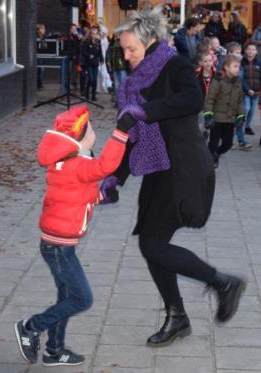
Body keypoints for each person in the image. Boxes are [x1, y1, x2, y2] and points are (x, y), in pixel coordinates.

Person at [103, 7, 246, 348]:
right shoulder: (137, 82)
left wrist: (146, 111)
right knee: (152, 243)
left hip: (183, 167)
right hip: (160, 169)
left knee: (152, 244)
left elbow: (193, 99)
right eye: (122, 49)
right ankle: (179, 315)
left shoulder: (174, 63)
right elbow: (132, 134)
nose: (126, 56)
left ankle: (221, 284)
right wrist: (114, 179)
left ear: (149, 39)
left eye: (130, 49)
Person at [14, 105, 130, 366]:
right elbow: (107, 165)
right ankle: (31, 327)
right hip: (59, 247)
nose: (94, 134)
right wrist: (121, 133)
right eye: (90, 131)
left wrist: (102, 196)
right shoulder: (76, 164)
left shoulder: (66, 164)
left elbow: (75, 195)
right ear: (79, 139)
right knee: (81, 298)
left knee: (66, 298)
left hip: (55, 243)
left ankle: (54, 351)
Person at [205, 55, 247, 162]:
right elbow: (210, 99)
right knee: (213, 143)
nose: (238, 69)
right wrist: (208, 114)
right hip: (217, 119)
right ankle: (209, 160)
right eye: (235, 66)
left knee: (228, 144)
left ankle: (216, 154)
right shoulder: (218, 80)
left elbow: (239, 101)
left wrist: (241, 115)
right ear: (226, 67)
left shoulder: (238, 82)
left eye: (239, 67)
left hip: (230, 119)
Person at [240, 43, 260, 137]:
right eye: (249, 49)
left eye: (253, 49)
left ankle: (247, 127)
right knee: (246, 108)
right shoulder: (241, 62)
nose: (251, 51)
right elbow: (241, 79)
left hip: (256, 92)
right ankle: (240, 126)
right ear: (245, 51)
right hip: (245, 92)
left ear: (256, 52)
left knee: (252, 111)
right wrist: (247, 90)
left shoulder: (259, 63)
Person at [195, 52, 217, 140]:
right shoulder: (196, 75)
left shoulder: (217, 75)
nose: (208, 63)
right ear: (200, 63)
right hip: (200, 105)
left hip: (213, 105)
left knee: (211, 127)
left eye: (210, 61)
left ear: (213, 61)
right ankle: (201, 142)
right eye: (205, 61)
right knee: (201, 125)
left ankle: (207, 143)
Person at [81, 26, 104, 101]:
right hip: (89, 63)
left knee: (95, 80)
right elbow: (83, 51)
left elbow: (100, 52)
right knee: (91, 79)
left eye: (95, 33)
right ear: (90, 34)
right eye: (93, 34)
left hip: (95, 63)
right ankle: (87, 92)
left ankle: (93, 95)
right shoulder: (86, 42)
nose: (94, 35)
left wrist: (101, 59)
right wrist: (89, 55)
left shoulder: (98, 42)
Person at [66, 24, 84, 91]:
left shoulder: (77, 36)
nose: (74, 30)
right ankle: (70, 84)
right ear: (70, 30)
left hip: (77, 56)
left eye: (75, 29)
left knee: (76, 71)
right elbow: (69, 46)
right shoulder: (69, 37)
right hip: (71, 56)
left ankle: (74, 83)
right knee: (71, 71)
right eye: (72, 29)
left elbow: (81, 42)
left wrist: (78, 36)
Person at [97, 25, 113, 93]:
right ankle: (99, 87)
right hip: (99, 57)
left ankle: (107, 86)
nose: (102, 34)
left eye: (103, 32)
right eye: (101, 32)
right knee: (99, 72)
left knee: (105, 72)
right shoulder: (98, 39)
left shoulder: (106, 40)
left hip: (104, 56)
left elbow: (107, 49)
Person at [36, 24, 47, 90]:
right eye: (42, 29)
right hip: (38, 56)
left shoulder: (44, 37)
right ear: (38, 30)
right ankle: (38, 85)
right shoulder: (37, 37)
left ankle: (40, 84)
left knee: (42, 70)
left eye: (44, 29)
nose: (44, 30)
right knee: (40, 70)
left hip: (43, 56)